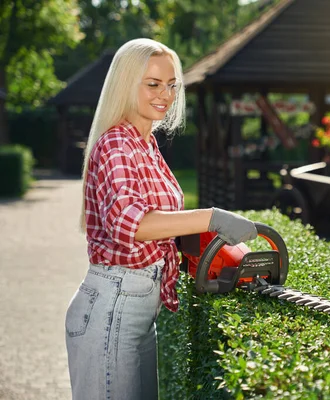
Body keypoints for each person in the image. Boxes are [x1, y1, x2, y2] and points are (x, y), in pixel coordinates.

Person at [64, 38, 257, 400]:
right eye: (153, 84)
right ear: (126, 83)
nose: (165, 95)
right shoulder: (117, 144)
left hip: (135, 308)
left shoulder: (145, 143)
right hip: (112, 307)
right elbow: (133, 225)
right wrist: (211, 218)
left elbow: (162, 223)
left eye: (171, 85)